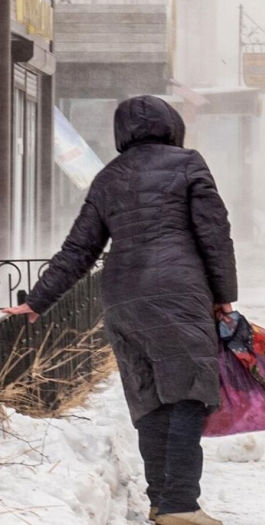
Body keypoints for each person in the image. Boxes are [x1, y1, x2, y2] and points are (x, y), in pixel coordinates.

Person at [2, 95, 236, 525]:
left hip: (123, 299)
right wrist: (223, 294)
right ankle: (180, 502)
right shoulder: (188, 164)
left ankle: (161, 500)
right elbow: (214, 232)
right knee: (187, 396)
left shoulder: (109, 176)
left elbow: (80, 247)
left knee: (149, 399)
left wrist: (37, 300)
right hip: (177, 293)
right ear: (172, 125)